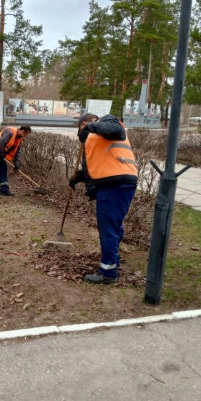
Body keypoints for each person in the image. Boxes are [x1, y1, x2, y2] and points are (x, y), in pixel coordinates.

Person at [70, 112, 138, 284]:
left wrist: (90, 127)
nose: (82, 136)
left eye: (81, 130)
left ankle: (108, 272)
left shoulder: (107, 121)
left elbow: (116, 129)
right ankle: (113, 260)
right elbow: (99, 166)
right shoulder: (99, 137)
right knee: (113, 226)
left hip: (115, 184)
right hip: (116, 183)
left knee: (108, 228)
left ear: (84, 123)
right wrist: (78, 177)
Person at [0, 125, 31, 198]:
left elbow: (17, 152)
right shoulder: (10, 131)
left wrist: (16, 164)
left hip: (1, 154)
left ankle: (4, 190)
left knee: (3, 171)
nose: (26, 136)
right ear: (23, 131)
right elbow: (1, 142)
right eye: (26, 134)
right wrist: (2, 153)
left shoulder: (20, 138)